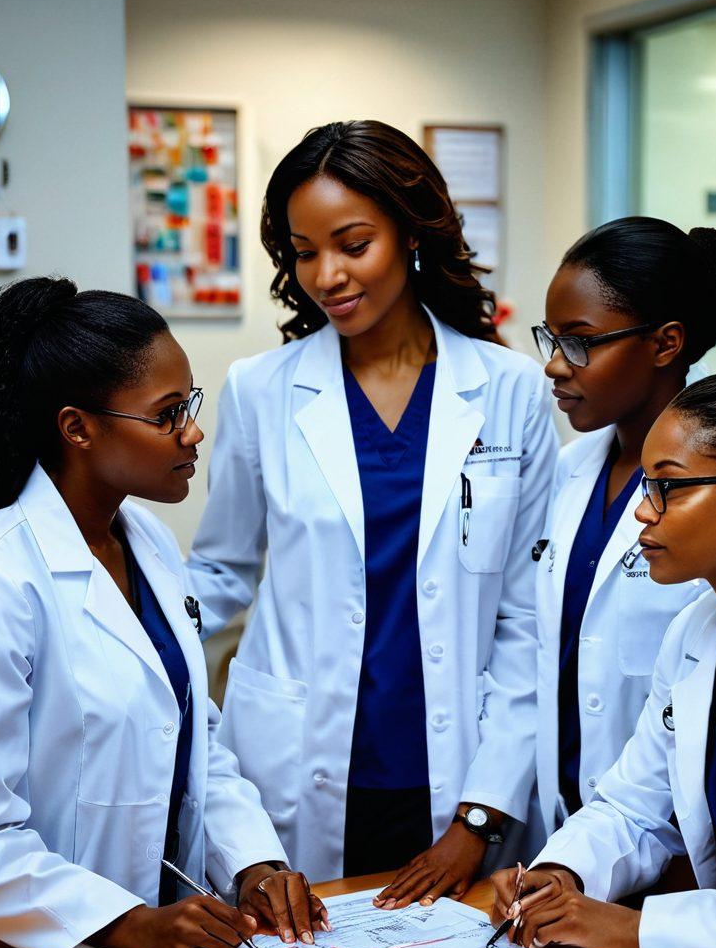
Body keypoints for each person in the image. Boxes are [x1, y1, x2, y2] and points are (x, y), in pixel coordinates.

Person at [188, 120, 557, 904]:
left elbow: (526, 616)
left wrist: (481, 815)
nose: (327, 274)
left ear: (412, 233)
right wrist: (125, 635)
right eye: (304, 250)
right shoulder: (262, 389)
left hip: (456, 773)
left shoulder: (509, 389)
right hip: (294, 769)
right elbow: (221, 568)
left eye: (353, 244)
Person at [0, 277, 327, 948]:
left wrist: (255, 864)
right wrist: (128, 925)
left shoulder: (146, 542)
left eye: (191, 405)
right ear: (78, 427)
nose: (193, 432)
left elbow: (196, 743)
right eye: (167, 414)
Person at [492, 368, 716, 948]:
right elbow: (634, 804)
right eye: (643, 488)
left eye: (668, 489)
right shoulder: (695, 634)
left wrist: (639, 926)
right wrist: (558, 875)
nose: (641, 515)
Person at [531, 218, 716, 841]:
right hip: (569, 839)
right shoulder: (570, 471)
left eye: (580, 341)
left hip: (679, 852)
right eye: (550, 339)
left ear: (665, 344)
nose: (554, 364)